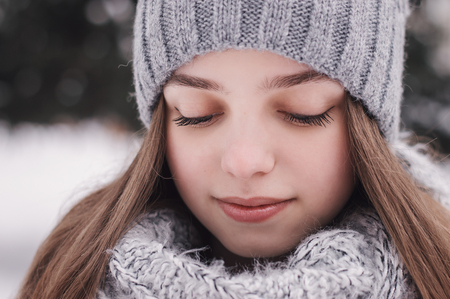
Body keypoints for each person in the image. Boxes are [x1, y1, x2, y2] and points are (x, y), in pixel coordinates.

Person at [18, 0, 450, 298]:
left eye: (303, 112)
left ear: (366, 124)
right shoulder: (71, 278)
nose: (244, 162)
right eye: (197, 112)